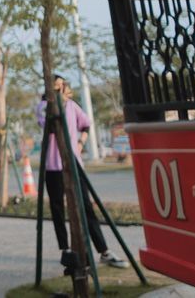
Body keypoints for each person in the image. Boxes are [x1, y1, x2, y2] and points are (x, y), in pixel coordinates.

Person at [37, 74, 128, 273]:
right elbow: (52, 127)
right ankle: (66, 250)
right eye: (57, 87)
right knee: (58, 209)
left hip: (74, 163)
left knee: (86, 207)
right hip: (54, 166)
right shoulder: (43, 107)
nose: (61, 89)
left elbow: (85, 124)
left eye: (63, 86)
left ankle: (103, 251)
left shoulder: (72, 105)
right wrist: (57, 103)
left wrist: (80, 142)